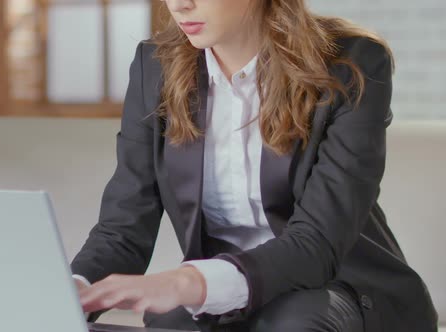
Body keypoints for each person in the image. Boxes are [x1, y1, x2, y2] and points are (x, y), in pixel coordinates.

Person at [70, 0, 438, 331]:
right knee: (171, 321)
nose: (180, 5)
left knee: (293, 319)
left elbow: (318, 242)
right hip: (223, 293)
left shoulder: (351, 62)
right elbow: (123, 227)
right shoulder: (155, 67)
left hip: (340, 287)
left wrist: (188, 282)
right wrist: (73, 290)